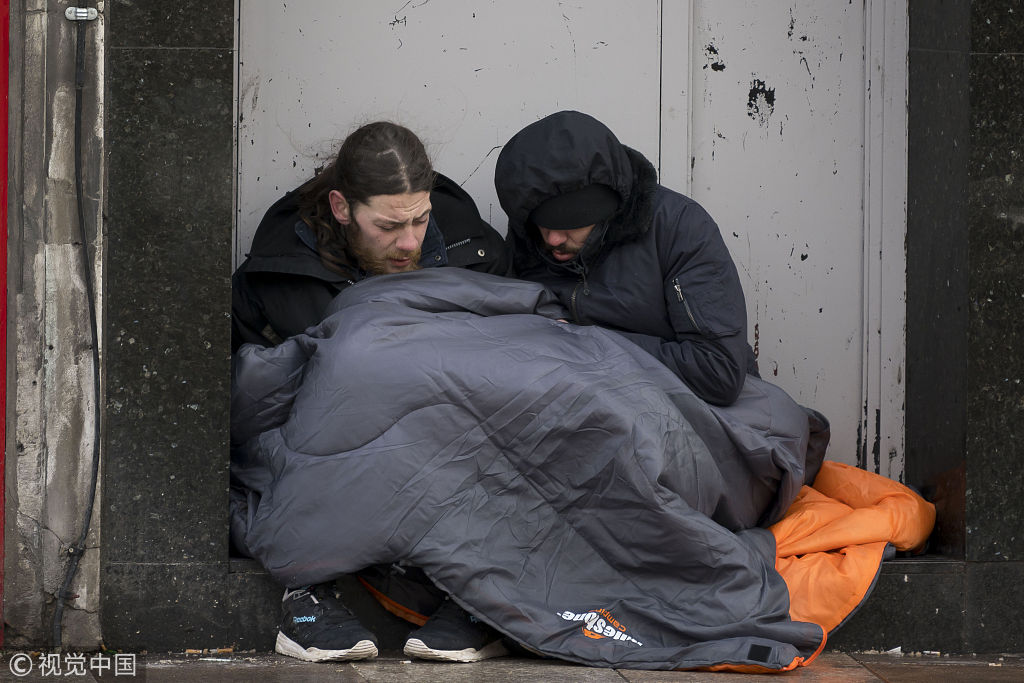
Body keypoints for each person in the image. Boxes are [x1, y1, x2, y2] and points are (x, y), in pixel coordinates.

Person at [231, 121, 510, 663]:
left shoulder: (474, 251)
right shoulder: (277, 279)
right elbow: (255, 403)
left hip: (450, 448)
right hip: (337, 457)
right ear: (341, 208)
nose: (409, 242)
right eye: (387, 226)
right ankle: (307, 594)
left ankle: (479, 598)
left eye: (421, 219)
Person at [494, 110, 759, 407]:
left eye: (568, 224)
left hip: (693, 410)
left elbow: (717, 372)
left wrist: (580, 342)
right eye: (543, 224)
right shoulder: (529, 237)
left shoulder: (679, 228)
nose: (552, 239)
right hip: (580, 408)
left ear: (605, 210)